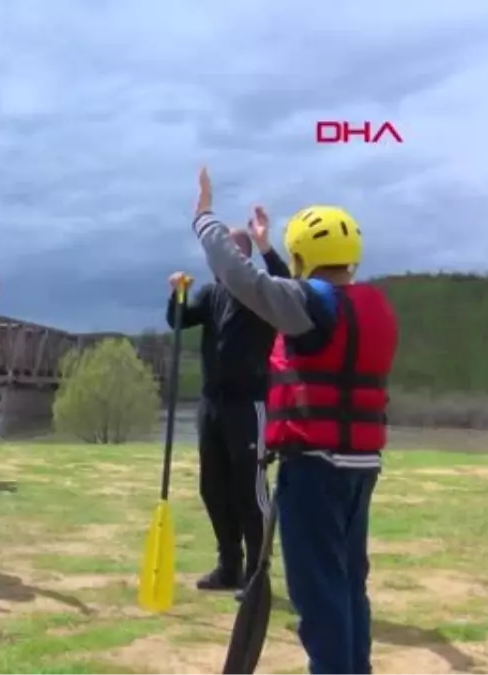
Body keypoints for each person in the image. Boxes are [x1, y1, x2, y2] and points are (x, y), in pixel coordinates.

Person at [191, 168, 398, 675]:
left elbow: (247, 282)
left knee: (319, 593)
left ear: (303, 257)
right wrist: (265, 247)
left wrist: (204, 218)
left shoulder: (311, 306)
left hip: (316, 471)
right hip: (361, 466)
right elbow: (292, 294)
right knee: (349, 584)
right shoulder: (373, 307)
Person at [167, 210, 290, 594]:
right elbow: (178, 321)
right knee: (213, 487)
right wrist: (178, 293)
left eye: (226, 254)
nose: (216, 262)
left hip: (248, 404)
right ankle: (229, 566)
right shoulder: (211, 293)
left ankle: (257, 572)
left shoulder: (262, 291)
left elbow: (287, 280)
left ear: (242, 258)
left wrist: (268, 245)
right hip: (212, 405)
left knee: (249, 490)